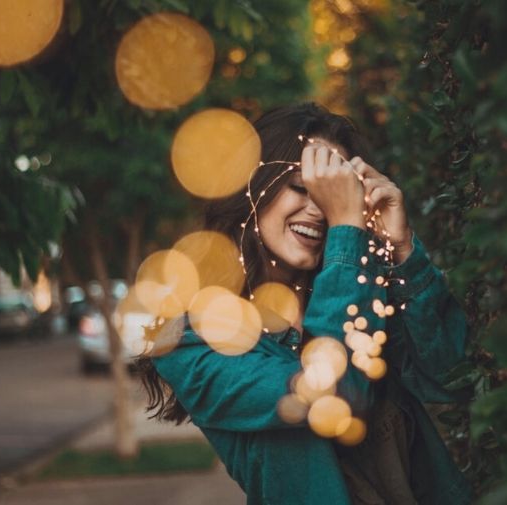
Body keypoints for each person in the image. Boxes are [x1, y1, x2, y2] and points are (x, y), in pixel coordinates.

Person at [138, 103, 472, 504]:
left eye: (335, 196)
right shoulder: (195, 339)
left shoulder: (361, 291)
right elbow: (332, 393)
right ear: (252, 186)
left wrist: (401, 248)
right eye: (301, 187)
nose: (319, 210)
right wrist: (348, 228)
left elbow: (454, 377)